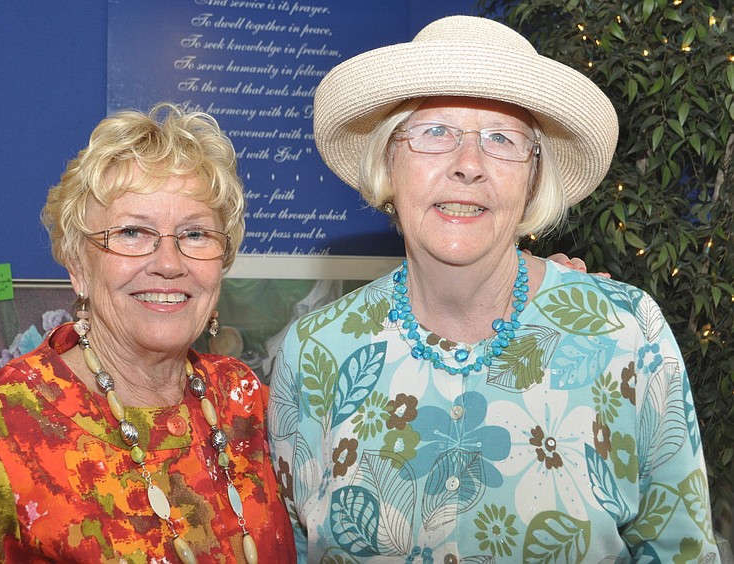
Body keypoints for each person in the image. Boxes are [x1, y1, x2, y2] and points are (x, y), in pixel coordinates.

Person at [268, 15, 719, 562]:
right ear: (390, 160)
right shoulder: (314, 352)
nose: (468, 166)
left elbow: (683, 551)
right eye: (436, 132)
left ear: (533, 178)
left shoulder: (627, 336)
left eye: (501, 139)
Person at [0, 103, 296, 562]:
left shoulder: (247, 403)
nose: (169, 264)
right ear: (77, 266)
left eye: (195, 234)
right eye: (132, 232)